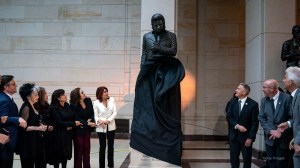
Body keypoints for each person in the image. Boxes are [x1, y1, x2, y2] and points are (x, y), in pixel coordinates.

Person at [129, 13, 185, 166]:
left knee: (164, 100)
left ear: (164, 23)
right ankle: (149, 130)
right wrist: (142, 72)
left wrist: (159, 48)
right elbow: (144, 54)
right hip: (150, 72)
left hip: (167, 72)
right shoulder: (146, 36)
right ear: (152, 24)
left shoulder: (171, 35)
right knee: (148, 102)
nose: (158, 25)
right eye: (155, 23)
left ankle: (164, 129)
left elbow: (173, 51)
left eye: (160, 23)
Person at [258, 79, 293, 168]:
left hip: (284, 139)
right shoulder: (264, 100)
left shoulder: (287, 98)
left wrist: (281, 130)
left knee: (282, 164)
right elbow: (261, 117)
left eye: (264, 87)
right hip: (269, 139)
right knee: (271, 164)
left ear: (272, 88)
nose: (262, 89)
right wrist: (270, 130)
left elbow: (293, 117)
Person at [226, 83, 259, 168]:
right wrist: (237, 126)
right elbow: (229, 117)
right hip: (233, 137)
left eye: (238, 89)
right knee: (233, 159)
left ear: (244, 92)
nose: (235, 90)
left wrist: (251, 138)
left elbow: (255, 123)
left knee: (247, 159)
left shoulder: (253, 104)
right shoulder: (232, 101)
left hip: (246, 138)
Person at [48, 89, 82, 168]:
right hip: (58, 135)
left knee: (65, 155)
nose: (66, 96)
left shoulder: (67, 105)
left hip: (67, 134)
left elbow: (72, 116)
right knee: (58, 156)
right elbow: (58, 122)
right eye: (63, 95)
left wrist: (72, 124)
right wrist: (73, 124)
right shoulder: (53, 108)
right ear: (58, 98)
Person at [17, 83, 48, 168]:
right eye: (35, 95)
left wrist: (40, 125)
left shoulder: (33, 106)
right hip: (27, 144)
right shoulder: (26, 107)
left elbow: (32, 122)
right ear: (28, 97)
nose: (38, 97)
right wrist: (38, 128)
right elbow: (23, 127)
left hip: (35, 142)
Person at [0, 75, 27, 168]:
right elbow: (2, 118)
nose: (16, 85)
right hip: (6, 140)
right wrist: (17, 119)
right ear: (6, 87)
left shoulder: (7, 99)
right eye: (14, 84)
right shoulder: (3, 100)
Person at [278, 66, 300, 167]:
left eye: (285, 77)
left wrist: (298, 141)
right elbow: (297, 118)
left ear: (291, 82)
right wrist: (288, 123)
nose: (283, 80)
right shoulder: (295, 95)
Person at [70, 87, 96, 168]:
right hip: (78, 130)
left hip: (87, 129)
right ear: (77, 95)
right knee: (79, 150)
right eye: (82, 92)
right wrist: (88, 123)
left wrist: (90, 120)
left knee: (87, 149)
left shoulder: (88, 100)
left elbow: (92, 112)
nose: (84, 93)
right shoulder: (73, 105)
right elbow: (76, 118)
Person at [93, 86, 117, 168]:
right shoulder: (96, 102)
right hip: (101, 126)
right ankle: (101, 166)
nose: (107, 93)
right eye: (104, 92)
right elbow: (95, 116)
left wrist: (108, 120)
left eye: (107, 91)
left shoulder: (112, 100)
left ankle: (111, 165)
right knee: (102, 146)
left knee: (111, 146)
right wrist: (99, 121)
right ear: (100, 94)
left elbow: (115, 112)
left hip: (111, 125)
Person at [34, 86, 54, 166]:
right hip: (37, 135)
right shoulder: (35, 106)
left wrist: (49, 126)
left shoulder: (47, 105)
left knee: (44, 159)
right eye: (45, 93)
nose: (47, 95)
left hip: (46, 135)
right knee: (39, 159)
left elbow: (49, 120)